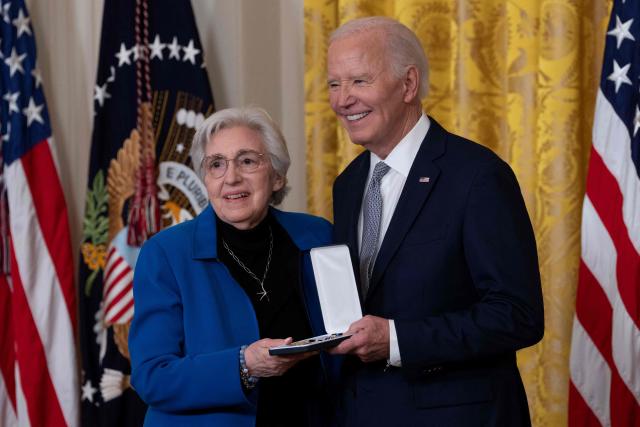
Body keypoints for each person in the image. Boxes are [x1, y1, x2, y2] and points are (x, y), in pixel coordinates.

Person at [327, 16, 544, 426]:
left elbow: (517, 314)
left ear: (408, 84)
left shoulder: (477, 175)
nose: (343, 100)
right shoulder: (349, 184)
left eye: (359, 81)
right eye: (334, 84)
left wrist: (396, 340)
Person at [129, 107, 336, 426]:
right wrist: (244, 365)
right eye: (216, 165)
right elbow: (153, 377)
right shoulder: (165, 254)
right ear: (206, 180)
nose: (232, 177)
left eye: (247, 161)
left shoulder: (318, 235)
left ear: (277, 175)